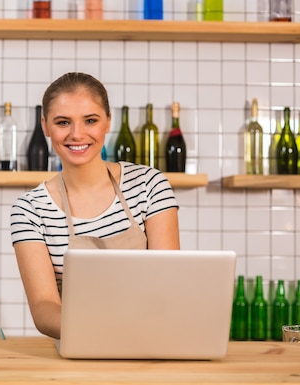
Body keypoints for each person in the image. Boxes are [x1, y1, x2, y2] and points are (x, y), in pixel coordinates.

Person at [10, 72, 180, 339]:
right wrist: (97, 331)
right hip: (78, 345)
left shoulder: (149, 185)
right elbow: (44, 306)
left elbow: (168, 282)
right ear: (45, 126)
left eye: (90, 120)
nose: (77, 135)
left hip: (151, 341)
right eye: (63, 122)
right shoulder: (29, 209)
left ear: (108, 122)